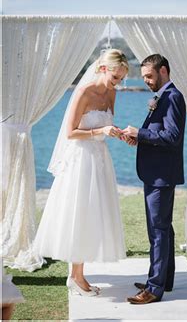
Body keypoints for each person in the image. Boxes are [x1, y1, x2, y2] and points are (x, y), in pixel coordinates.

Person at [33, 49, 129, 296]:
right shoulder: (83, 92)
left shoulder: (112, 94)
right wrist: (101, 132)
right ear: (103, 68)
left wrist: (116, 131)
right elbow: (71, 132)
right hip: (81, 159)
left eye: (120, 79)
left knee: (92, 216)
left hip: (100, 160)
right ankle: (77, 277)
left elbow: (105, 124)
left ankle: (77, 275)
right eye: (115, 77)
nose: (117, 83)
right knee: (79, 214)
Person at [122, 54, 186, 304]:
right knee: (163, 230)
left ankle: (154, 288)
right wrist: (139, 138)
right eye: (145, 77)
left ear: (164, 71)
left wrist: (140, 132)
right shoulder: (165, 96)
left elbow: (172, 137)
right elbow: (160, 133)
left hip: (161, 175)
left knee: (157, 232)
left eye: (149, 76)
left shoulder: (173, 97)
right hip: (157, 172)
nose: (147, 81)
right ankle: (164, 279)